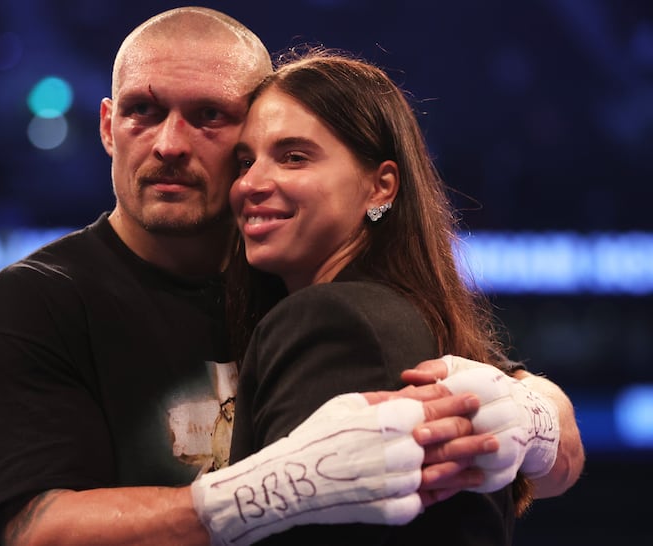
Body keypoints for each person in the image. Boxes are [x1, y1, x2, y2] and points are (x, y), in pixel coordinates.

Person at [0, 7, 583, 546]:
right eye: (144, 110)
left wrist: (536, 413)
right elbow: (30, 530)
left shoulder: (299, 281)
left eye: (208, 117)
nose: (169, 142)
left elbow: (555, 456)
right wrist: (256, 496)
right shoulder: (35, 301)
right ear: (110, 126)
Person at [222, 49, 569, 544]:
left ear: (381, 188)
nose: (250, 183)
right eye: (244, 161)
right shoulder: (415, 316)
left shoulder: (331, 321)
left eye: (294, 156)